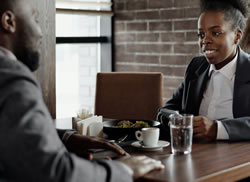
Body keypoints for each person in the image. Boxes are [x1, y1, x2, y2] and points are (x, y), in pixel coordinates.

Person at [0, 0, 164, 181]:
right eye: (36, 19)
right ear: (9, 21)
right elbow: (54, 172)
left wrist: (67, 139)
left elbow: (10, 132)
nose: (41, 33)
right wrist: (122, 170)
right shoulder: (12, 79)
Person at [158, 0, 250, 142]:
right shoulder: (196, 67)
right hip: (196, 154)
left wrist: (217, 129)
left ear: (237, 36)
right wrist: (177, 120)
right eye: (201, 35)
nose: (205, 40)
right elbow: (166, 109)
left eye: (215, 33)